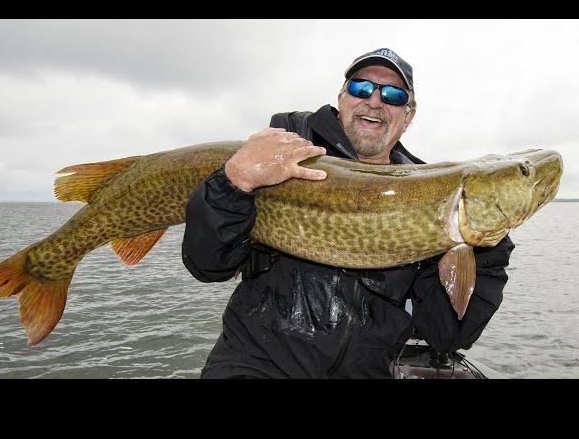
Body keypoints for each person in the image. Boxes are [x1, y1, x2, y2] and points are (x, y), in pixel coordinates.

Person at [182, 48, 515, 379]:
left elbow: (447, 334)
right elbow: (207, 264)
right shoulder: (278, 155)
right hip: (255, 364)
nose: (374, 101)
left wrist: (486, 247)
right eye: (361, 88)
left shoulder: (430, 197)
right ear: (341, 99)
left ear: (408, 117)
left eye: (394, 95)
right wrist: (233, 182)